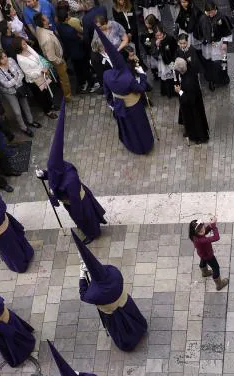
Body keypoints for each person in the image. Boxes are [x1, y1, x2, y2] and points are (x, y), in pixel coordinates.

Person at [72, 231, 148, 351]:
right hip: (126, 303)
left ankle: (127, 342)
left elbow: (83, 294)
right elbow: (105, 268)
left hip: (112, 314)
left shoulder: (95, 294)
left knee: (120, 329)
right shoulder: (114, 272)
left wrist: (82, 277)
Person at [44, 102, 107, 244]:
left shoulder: (70, 179)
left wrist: (78, 215)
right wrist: (43, 174)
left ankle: (92, 234)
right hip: (69, 201)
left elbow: (76, 202)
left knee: (86, 219)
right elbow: (53, 174)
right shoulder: (60, 167)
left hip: (78, 202)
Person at [95, 27, 155, 155]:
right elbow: (141, 88)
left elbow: (107, 92)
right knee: (140, 126)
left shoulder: (107, 74)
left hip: (119, 105)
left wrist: (112, 104)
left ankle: (132, 144)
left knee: (129, 128)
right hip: (133, 105)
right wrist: (142, 75)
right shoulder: (127, 78)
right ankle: (144, 146)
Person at [174, 58, 209, 144]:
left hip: (193, 106)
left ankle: (199, 137)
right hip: (195, 101)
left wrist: (180, 91)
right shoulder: (189, 70)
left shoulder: (188, 82)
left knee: (196, 121)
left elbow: (189, 98)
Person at [188, 217, 229, 290]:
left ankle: (205, 272)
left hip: (202, 253)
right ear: (196, 232)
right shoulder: (202, 240)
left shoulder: (194, 236)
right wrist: (213, 226)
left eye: (203, 228)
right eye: (200, 231)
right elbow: (216, 237)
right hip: (209, 255)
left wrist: (210, 226)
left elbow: (204, 232)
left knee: (203, 260)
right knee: (216, 268)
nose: (203, 231)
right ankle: (219, 285)